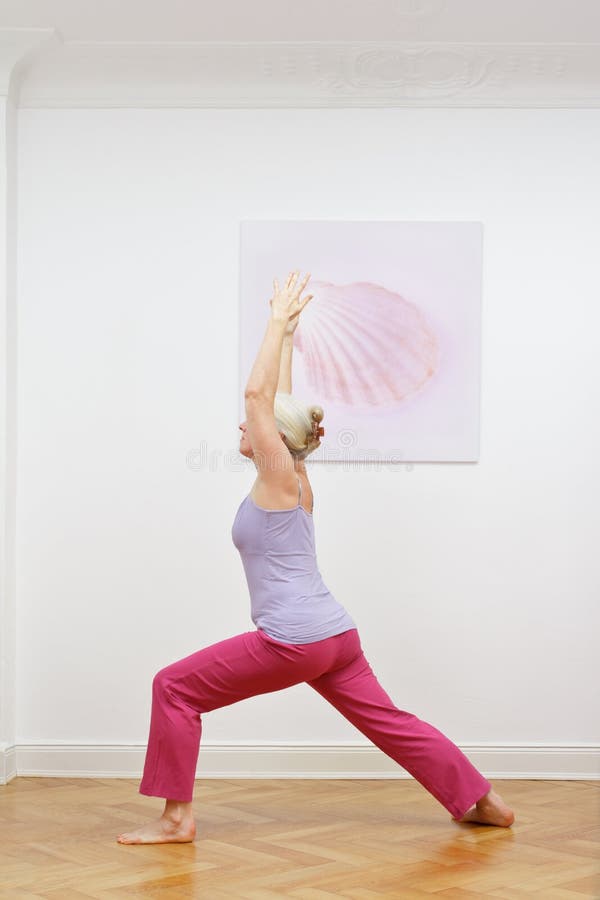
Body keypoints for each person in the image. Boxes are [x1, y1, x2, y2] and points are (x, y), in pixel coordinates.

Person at [117, 270, 514, 844]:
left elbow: (258, 399)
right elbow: (276, 403)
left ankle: (177, 819)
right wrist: (285, 340)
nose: (241, 424)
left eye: (252, 425)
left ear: (273, 438)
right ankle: (485, 801)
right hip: (335, 638)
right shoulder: (296, 474)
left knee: (172, 687)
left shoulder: (279, 476)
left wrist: (274, 320)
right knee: (392, 724)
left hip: (294, 640)